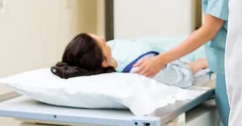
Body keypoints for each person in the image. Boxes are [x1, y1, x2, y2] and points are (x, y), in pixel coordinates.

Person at [51, 33, 209, 88]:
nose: (103, 38)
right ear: (103, 62)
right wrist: (202, 63)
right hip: (189, 57)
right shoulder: (142, 70)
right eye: (103, 43)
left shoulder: (113, 55)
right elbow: (184, 75)